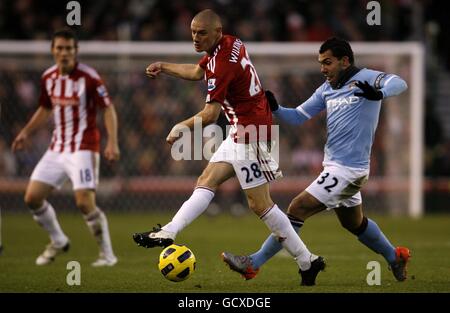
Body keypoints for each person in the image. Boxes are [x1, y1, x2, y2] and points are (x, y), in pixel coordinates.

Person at [132, 9, 325, 286]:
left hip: (252, 132)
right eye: (193, 33)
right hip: (242, 129)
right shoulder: (230, 43)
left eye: (201, 33)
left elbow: (210, 115)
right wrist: (164, 66)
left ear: (217, 32)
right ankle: (169, 231)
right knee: (206, 180)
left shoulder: (222, 63)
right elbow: (198, 71)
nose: (195, 38)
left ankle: (308, 261)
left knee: (260, 204)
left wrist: (180, 126)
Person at [222, 37, 411, 282]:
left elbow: (400, 82)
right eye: (321, 63)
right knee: (354, 223)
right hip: (335, 166)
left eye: (328, 62)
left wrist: (379, 93)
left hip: (349, 169)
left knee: (297, 208)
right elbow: (298, 116)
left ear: (345, 61)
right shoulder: (326, 89)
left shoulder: (366, 78)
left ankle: (253, 263)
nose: (323, 68)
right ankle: (394, 256)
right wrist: (276, 108)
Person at [11, 29, 120, 267]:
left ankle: (107, 255)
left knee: (83, 202)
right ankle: (58, 240)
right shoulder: (48, 77)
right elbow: (45, 109)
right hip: (57, 147)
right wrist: (26, 132)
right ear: (53, 51)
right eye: (59, 48)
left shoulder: (90, 77)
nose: (64, 53)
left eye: (69, 49)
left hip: (84, 147)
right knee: (32, 198)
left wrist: (112, 141)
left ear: (76, 51)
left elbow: (108, 108)